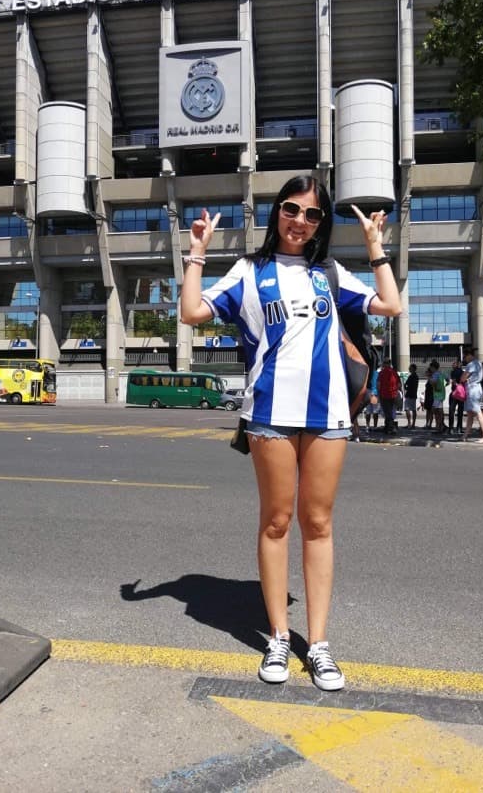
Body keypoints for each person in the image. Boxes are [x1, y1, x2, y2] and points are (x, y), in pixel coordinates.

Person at [180, 175, 401, 691]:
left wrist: (375, 248)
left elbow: (389, 306)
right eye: (291, 209)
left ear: (321, 223)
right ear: (276, 212)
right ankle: (279, 634)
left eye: (312, 214)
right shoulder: (249, 271)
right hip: (270, 412)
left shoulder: (329, 272)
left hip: (328, 415)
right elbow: (191, 313)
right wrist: (196, 254)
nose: (300, 221)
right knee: (277, 522)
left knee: (318, 523)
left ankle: (318, 644)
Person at [460, 346, 483, 442]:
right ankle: (465, 435)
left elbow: (462, 378)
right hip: (477, 388)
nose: (465, 359)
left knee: (478, 413)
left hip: (472, 389)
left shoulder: (471, 365)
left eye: (465, 357)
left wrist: (464, 377)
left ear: (468, 355)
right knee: (470, 414)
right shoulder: (479, 363)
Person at [378, 358, 401, 435]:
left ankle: (391, 428)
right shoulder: (394, 373)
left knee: (387, 412)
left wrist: (378, 395)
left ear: (384, 364)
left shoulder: (381, 373)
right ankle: (387, 427)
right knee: (391, 411)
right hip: (393, 395)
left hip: (384, 395)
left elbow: (378, 385)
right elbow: (399, 385)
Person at [429, 359, 446, 434]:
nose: (430, 369)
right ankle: (441, 426)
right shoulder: (441, 373)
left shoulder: (435, 374)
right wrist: (444, 386)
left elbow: (433, 382)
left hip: (437, 395)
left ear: (433, 367)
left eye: (431, 368)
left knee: (436, 411)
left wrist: (429, 378)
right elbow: (448, 380)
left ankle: (439, 427)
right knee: (439, 411)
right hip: (441, 394)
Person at [448, 358, 464, 435]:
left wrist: (456, 385)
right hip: (461, 394)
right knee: (460, 412)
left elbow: (453, 381)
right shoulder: (463, 372)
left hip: (454, 393)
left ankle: (451, 428)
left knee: (452, 411)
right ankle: (459, 428)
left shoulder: (453, 372)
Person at [403, 364, 419, 429]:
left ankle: (410, 423)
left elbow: (406, 385)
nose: (409, 368)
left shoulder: (413, 376)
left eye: (410, 368)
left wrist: (407, 389)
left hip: (410, 394)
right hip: (413, 394)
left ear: (413, 368)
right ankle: (412, 424)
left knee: (408, 409)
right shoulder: (414, 376)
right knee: (413, 409)